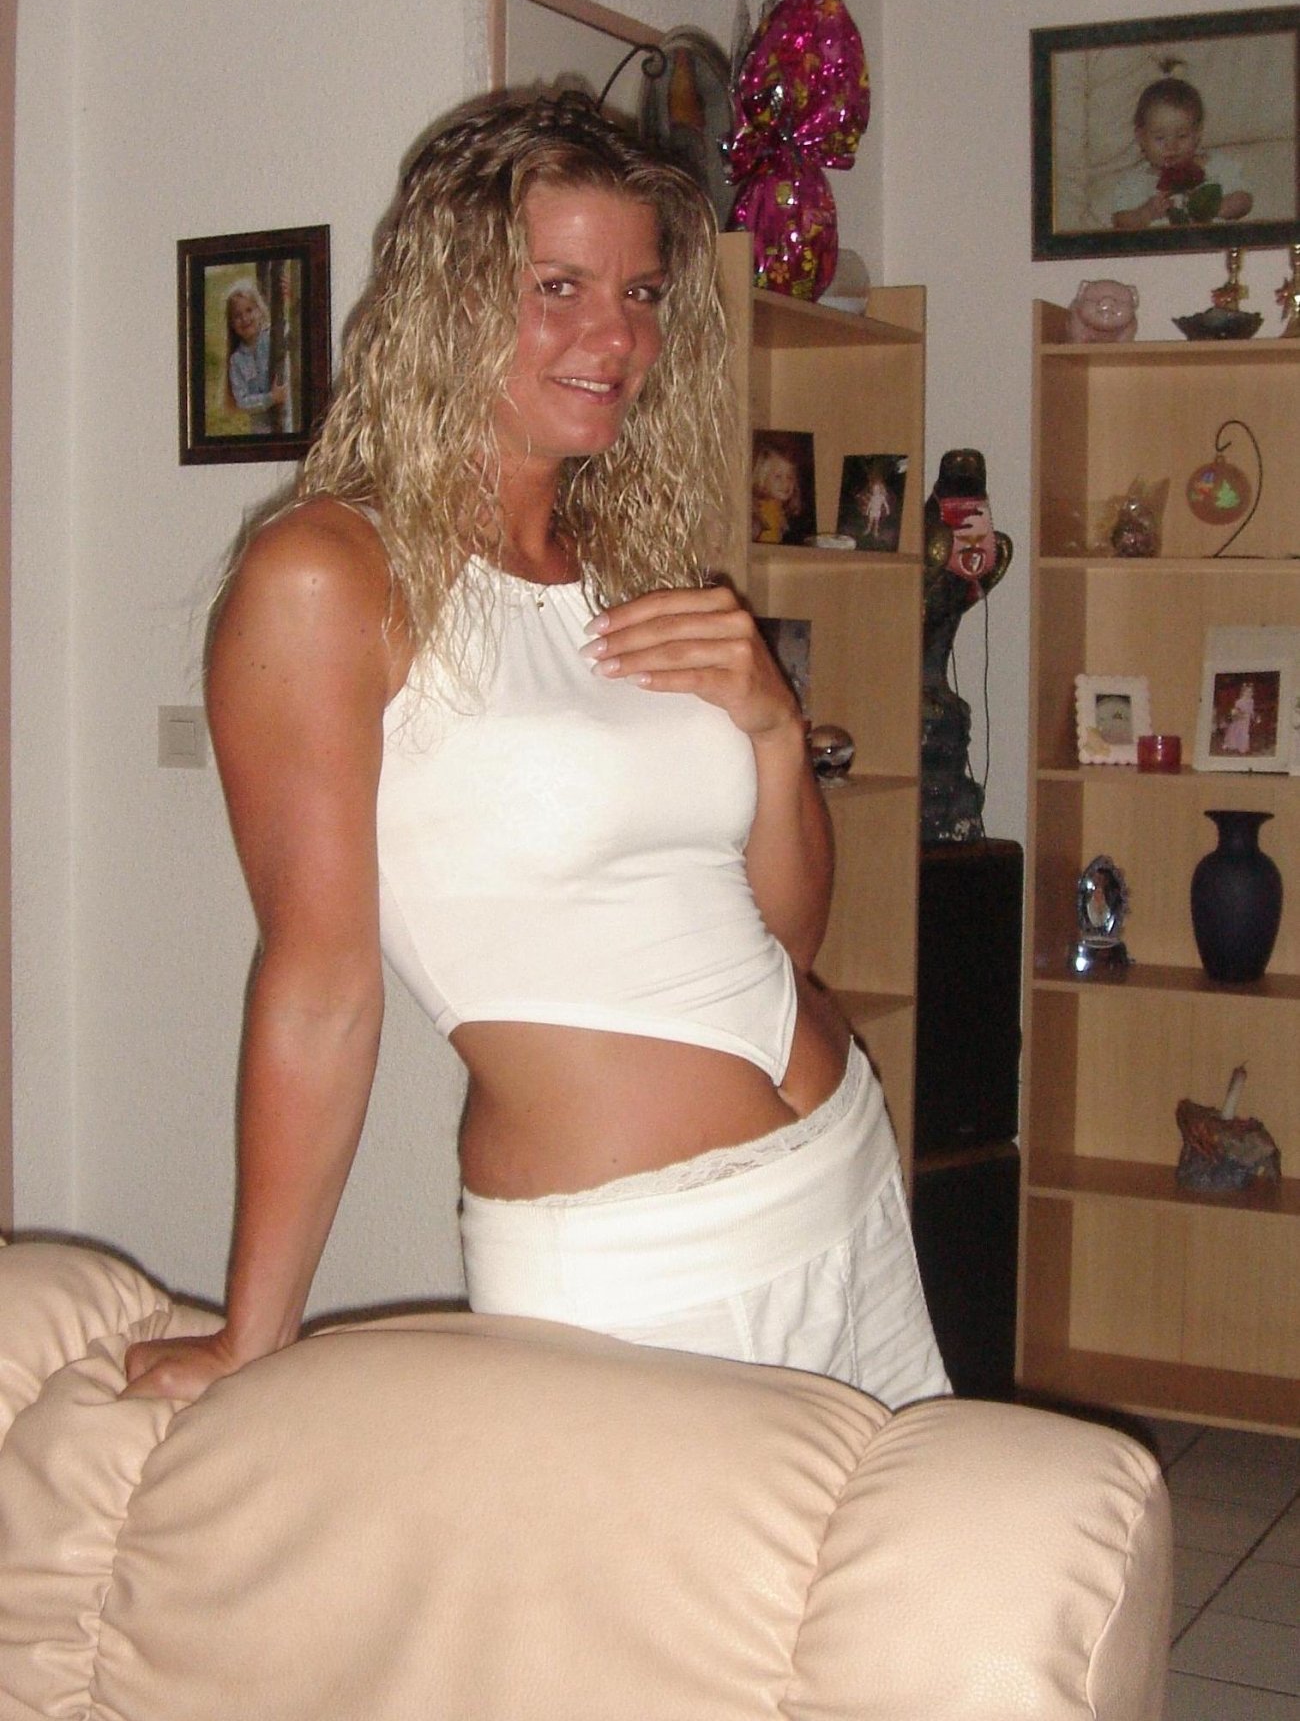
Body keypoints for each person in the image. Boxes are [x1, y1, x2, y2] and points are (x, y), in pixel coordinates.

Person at [124, 92, 948, 1411]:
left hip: (841, 1169)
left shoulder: (626, 568)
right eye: (557, 286)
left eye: (640, 293)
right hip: (633, 1256)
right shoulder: (327, 575)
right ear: (445, 299)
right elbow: (320, 988)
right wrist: (250, 1334)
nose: (614, 337)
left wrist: (774, 732)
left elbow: (778, 945)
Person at [1109, 75, 1252, 231]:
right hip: (1160, 245)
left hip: (1210, 242)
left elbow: (1244, 200)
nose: (1172, 146)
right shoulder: (1134, 182)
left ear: (1197, 134)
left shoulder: (1216, 167)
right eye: (1160, 138)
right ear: (1141, 138)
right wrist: (1145, 213)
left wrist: (1216, 207)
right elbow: (1119, 222)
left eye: (1182, 136)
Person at [224, 279, 286, 431]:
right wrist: (271, 398)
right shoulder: (236, 360)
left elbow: (297, 337)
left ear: (259, 310)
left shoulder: (275, 337)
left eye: (249, 310)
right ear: (231, 324)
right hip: (261, 429)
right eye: (237, 316)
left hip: (286, 419)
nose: (245, 319)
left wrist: (292, 298)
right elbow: (242, 401)